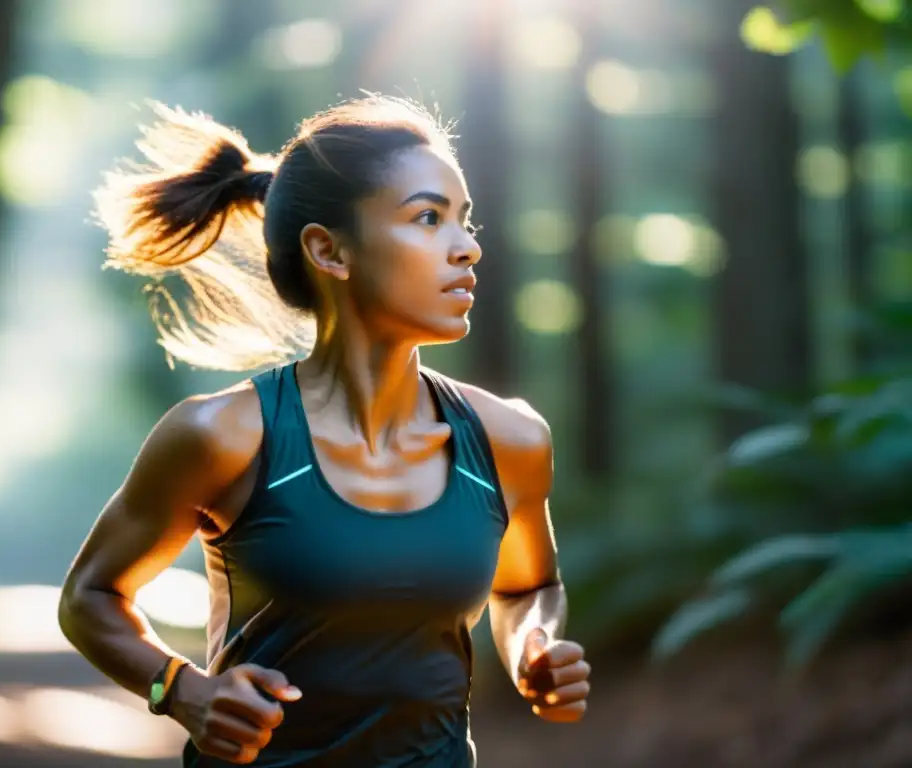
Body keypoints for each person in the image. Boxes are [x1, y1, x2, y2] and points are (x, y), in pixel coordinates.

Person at [59, 94, 590, 768]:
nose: (469, 247)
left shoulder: (508, 440)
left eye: (466, 220)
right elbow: (90, 598)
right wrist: (182, 690)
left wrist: (532, 649)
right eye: (428, 218)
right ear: (328, 251)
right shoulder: (221, 436)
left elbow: (527, 586)